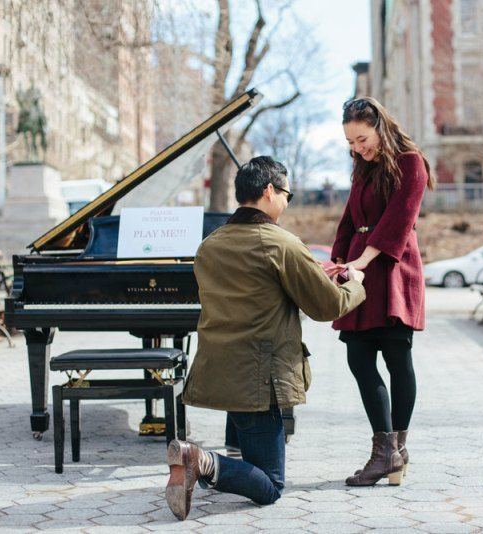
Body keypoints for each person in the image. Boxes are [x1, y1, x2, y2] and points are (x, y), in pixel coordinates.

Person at [165, 156, 366, 520]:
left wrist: (307, 272)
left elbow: (252, 291)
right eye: (286, 193)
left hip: (220, 368)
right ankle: (200, 460)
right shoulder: (281, 243)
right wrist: (355, 284)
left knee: (248, 448)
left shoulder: (209, 245)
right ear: (269, 191)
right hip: (261, 376)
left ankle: (214, 463)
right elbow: (327, 306)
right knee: (271, 487)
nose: (287, 202)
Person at [324, 97, 435, 487]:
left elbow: (399, 219)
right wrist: (338, 261)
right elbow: (349, 219)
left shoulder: (410, 162)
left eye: (362, 138)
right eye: (351, 142)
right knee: (358, 357)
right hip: (359, 271)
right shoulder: (362, 170)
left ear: (379, 127)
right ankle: (388, 452)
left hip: (394, 269)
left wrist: (363, 261)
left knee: (397, 358)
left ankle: (394, 449)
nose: (357, 148)